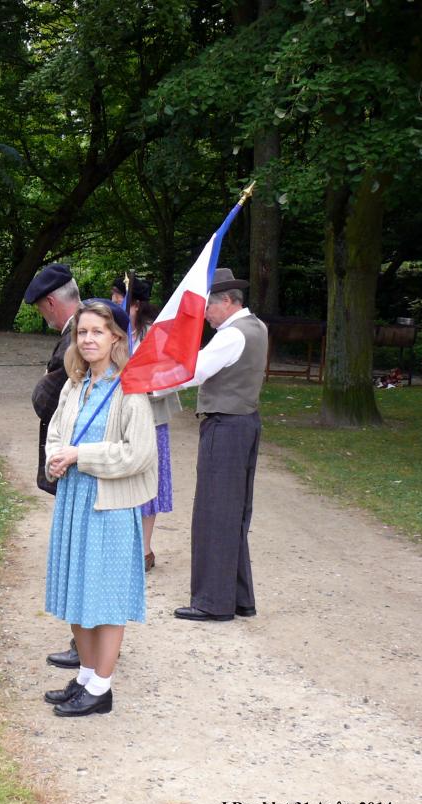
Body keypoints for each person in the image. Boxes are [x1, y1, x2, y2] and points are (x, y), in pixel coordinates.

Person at [42, 299, 157, 717]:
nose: (88, 339)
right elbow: (57, 431)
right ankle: (86, 678)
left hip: (108, 506)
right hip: (74, 500)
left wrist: (79, 456)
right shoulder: (75, 384)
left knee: (104, 597)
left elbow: (138, 454)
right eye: (82, 332)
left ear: (116, 338)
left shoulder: (130, 388)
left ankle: (102, 688)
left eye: (97, 332)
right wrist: (57, 454)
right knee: (77, 589)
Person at [168, 269, 267, 622]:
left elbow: (194, 372)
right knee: (235, 512)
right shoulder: (256, 326)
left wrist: (149, 387)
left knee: (214, 513)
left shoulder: (231, 335)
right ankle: (239, 598)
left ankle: (213, 602)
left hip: (225, 426)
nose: (205, 313)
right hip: (244, 423)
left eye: (209, 305)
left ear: (227, 301)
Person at [24, 264, 85, 670]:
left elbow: (48, 400)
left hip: (79, 463)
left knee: (80, 552)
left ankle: (88, 646)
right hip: (78, 459)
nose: (44, 317)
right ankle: (85, 642)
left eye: (42, 310)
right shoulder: (85, 329)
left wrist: (44, 380)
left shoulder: (78, 338)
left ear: (50, 302)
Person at [113, 272, 180, 571]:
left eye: (118, 297)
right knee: (120, 478)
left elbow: (175, 373)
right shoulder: (113, 330)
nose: (113, 301)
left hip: (151, 418)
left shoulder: (157, 333)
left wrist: (147, 385)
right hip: (118, 416)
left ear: (135, 304)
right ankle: (120, 547)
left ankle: (144, 551)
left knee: (150, 480)